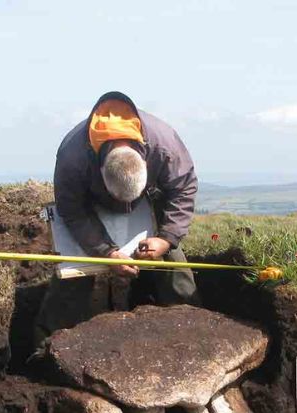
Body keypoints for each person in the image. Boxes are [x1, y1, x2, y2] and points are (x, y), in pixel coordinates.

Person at [34, 91, 199, 343]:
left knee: (175, 273)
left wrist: (166, 238)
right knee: (73, 274)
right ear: (100, 171)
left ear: (146, 164)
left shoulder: (164, 145)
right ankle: (45, 346)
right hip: (89, 206)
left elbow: (184, 188)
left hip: (149, 202)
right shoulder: (73, 157)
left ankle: (192, 332)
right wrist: (106, 253)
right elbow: (73, 210)